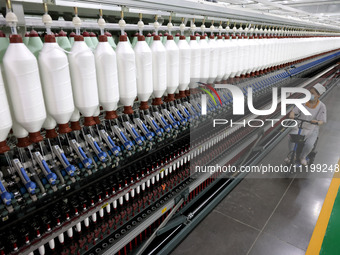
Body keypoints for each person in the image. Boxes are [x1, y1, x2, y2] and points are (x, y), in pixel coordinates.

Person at [286, 83, 327, 165]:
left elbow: (322, 120)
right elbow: (294, 110)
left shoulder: (322, 106)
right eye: (309, 92)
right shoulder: (304, 102)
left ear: (318, 95)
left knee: (309, 144)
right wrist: (292, 114)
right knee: (291, 138)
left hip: (312, 128)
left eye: (312, 93)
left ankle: (303, 157)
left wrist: (317, 122)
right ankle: (291, 156)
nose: (310, 95)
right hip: (300, 125)